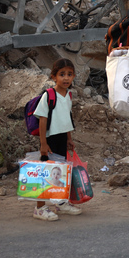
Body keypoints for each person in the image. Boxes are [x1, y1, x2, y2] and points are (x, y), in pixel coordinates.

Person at [33, 58, 80, 221]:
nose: (66, 78)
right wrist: (43, 144)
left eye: (69, 74)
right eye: (62, 74)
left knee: (59, 172)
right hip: (49, 139)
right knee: (45, 172)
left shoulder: (69, 95)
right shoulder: (48, 95)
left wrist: (69, 138)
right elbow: (43, 119)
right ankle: (39, 208)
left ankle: (60, 203)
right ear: (54, 77)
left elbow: (66, 117)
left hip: (61, 138)